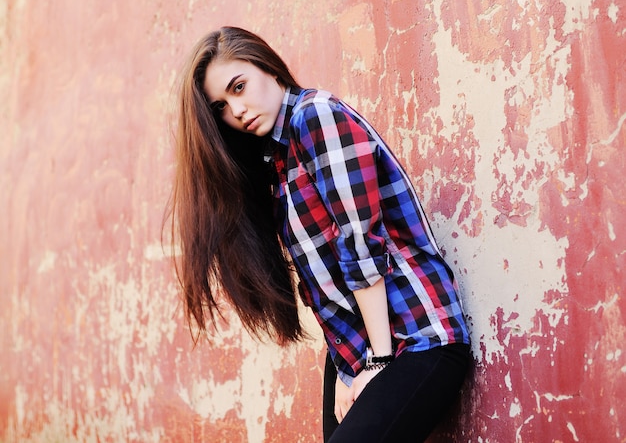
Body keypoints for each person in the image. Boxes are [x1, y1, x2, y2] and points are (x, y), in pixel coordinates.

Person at [167, 26, 471, 442]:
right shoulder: (276, 159)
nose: (236, 110)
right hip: (360, 348)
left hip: (418, 336)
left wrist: (379, 362)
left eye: (239, 87)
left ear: (266, 66)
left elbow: (360, 241)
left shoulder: (316, 116)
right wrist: (349, 369)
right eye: (221, 106)